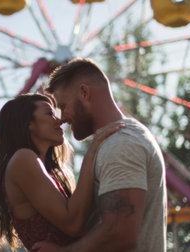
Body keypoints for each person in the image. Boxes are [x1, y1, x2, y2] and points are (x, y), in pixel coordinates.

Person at [33, 58, 167, 252]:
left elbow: (120, 233)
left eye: (63, 105)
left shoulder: (121, 144)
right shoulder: (118, 139)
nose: (61, 117)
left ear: (84, 93)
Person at [0, 93, 124, 251]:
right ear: (28, 123)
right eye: (50, 114)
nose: (60, 120)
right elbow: (73, 224)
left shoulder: (40, 168)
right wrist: (91, 153)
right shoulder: (23, 159)